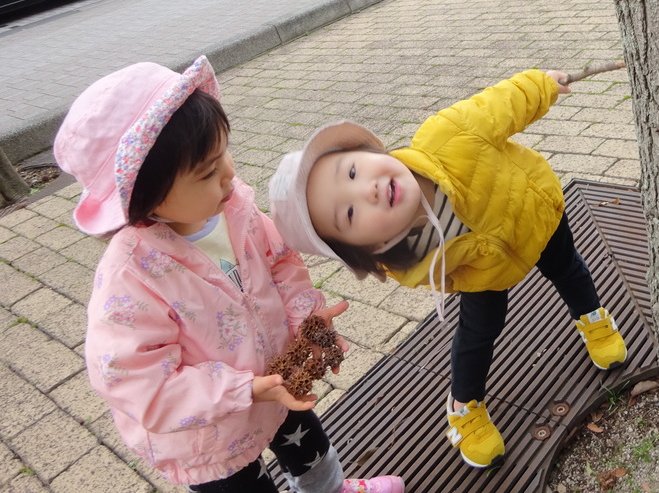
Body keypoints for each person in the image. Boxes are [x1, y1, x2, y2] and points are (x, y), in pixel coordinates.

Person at [54, 56, 404, 493]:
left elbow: (280, 261)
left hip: (277, 379)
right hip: (208, 436)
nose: (230, 174)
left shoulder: (235, 208)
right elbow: (142, 383)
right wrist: (245, 390)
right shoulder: (131, 281)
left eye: (224, 153)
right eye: (207, 172)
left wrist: (305, 318)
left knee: (310, 450)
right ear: (148, 199)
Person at [268, 69, 627, 470]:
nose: (366, 189)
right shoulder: (402, 255)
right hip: (486, 274)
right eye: (349, 212)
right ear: (365, 249)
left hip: (537, 215)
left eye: (352, 171)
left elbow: (499, 105)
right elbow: (445, 278)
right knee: (479, 331)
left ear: (368, 152)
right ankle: (463, 405)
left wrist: (541, 86)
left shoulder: (447, 134)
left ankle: (593, 319)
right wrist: (466, 278)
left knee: (569, 271)